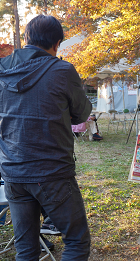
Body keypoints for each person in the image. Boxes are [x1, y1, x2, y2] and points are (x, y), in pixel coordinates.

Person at [0, 15, 92, 260]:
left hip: (13, 173)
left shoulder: (2, 69)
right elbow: (82, 113)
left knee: (26, 249)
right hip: (52, 172)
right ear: (57, 43)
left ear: (28, 39)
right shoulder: (62, 70)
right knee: (76, 241)